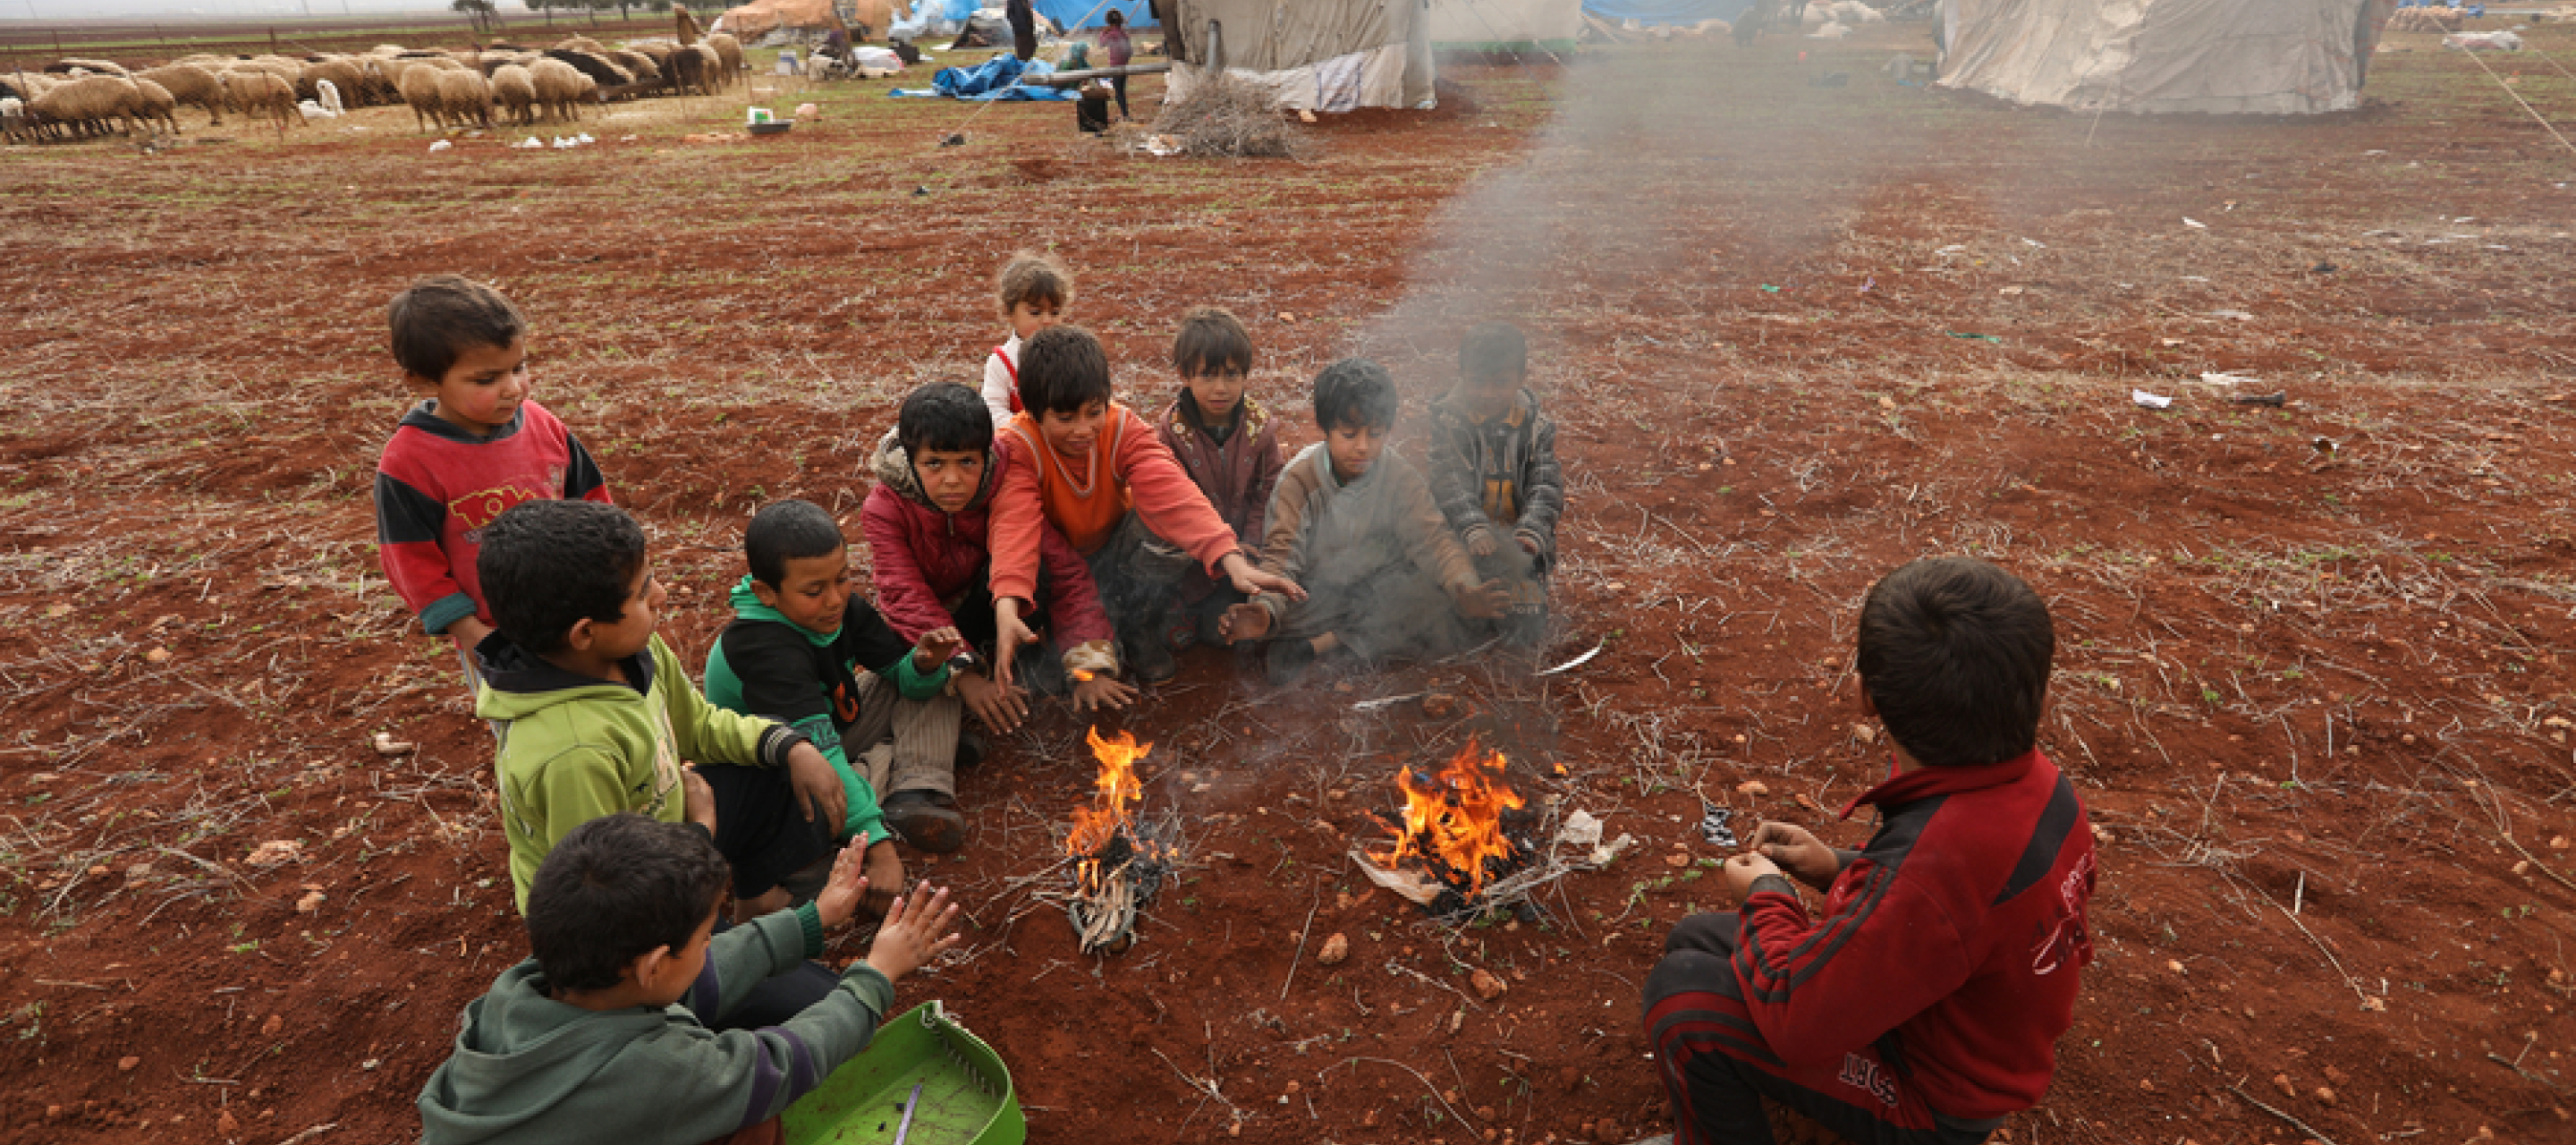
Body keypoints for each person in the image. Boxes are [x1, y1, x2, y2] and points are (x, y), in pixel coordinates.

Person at [1641, 557, 2097, 1145]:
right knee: (1699, 939)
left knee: (1684, 1001)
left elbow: (1797, 1019)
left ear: (1865, 698)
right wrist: (1835, 866)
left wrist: (1768, 891)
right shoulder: (2044, 789)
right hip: (1959, 1022)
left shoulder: (1933, 868)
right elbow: (1958, 907)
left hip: (1935, 1103)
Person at [417, 812, 963, 1145]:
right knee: (754, 1123)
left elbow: (699, 981)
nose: (712, 944)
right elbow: (778, 1066)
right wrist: (875, 974)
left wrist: (811, 919)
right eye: (706, 936)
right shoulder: (654, 1072)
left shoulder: (526, 990)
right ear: (653, 965)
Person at [471, 499, 869, 924]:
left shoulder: (632, 651)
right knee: (795, 988)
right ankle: (730, 940)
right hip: (625, 921)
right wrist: (699, 833)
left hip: (661, 835)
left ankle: (757, 899)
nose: (661, 595)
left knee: (777, 761)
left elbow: (699, 726)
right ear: (586, 632)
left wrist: (789, 745)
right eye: (643, 592)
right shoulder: (574, 753)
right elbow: (602, 897)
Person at [991, 326, 1305, 684]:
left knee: (1164, 526)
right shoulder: (1016, 446)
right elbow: (1013, 525)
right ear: (1032, 412)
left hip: (1114, 556)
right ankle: (1037, 634)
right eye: (1065, 419)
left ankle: (1137, 624)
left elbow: (1171, 490)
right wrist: (1007, 601)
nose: (1083, 429)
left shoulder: (1121, 426)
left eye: (1093, 411)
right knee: (1057, 677)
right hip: (1052, 567)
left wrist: (1229, 556)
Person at [373, 274, 612, 705]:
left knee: (613, 708)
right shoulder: (411, 460)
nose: (514, 388)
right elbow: (411, 560)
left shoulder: (544, 426)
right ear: (425, 383)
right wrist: (472, 633)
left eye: (518, 367)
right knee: (531, 733)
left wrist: (617, 575)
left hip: (582, 615)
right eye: (486, 380)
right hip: (498, 634)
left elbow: (593, 504)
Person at [702, 499, 968, 856]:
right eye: (814, 591)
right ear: (765, 593)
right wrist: (876, 844)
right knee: (815, 800)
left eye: (842, 578)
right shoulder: (762, 648)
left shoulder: (842, 608)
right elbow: (818, 753)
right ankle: (895, 767)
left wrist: (923, 664)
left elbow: (900, 678)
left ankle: (911, 793)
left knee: (943, 680)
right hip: (783, 765)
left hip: (830, 724)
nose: (835, 599)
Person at [1221, 359, 1506, 684]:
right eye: (1348, 434)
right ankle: (1335, 642)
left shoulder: (1400, 478)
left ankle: (1316, 647)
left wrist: (1465, 588)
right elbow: (1281, 559)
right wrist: (1266, 611)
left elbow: (1435, 541)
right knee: (1278, 616)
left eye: (1375, 434)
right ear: (1326, 429)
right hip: (1317, 594)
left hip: (1377, 589)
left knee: (1433, 598)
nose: (1362, 447)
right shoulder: (1299, 479)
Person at [865, 383, 1134, 720]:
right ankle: (971, 683)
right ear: (909, 457)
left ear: (986, 456)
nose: (952, 479)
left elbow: (1065, 570)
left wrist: (1089, 668)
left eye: (967, 462)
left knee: (1036, 568)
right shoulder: (885, 507)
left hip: (995, 607)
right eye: (934, 464)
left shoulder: (1004, 486)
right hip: (932, 625)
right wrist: (965, 675)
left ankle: (1017, 664)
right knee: (907, 658)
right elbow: (904, 595)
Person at [1152, 306, 1283, 650]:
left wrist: (1250, 547)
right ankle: (1179, 605)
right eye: (1207, 376)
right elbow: (1170, 502)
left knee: (1227, 636)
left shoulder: (1261, 429)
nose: (1220, 388)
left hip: (1246, 553)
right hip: (1189, 560)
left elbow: (1269, 492)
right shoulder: (1171, 432)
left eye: (1231, 375)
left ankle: (1222, 609)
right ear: (1184, 374)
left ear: (1246, 375)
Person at [1427, 320, 1563, 648]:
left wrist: (1531, 533)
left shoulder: (1536, 427)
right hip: (1463, 539)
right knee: (1459, 622)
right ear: (1461, 376)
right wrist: (1473, 527)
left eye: (1501, 383)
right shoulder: (1448, 421)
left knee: (1526, 627)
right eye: (1477, 382)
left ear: (1521, 379)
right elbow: (1447, 482)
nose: (1488, 394)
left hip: (1517, 543)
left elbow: (1545, 487)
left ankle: (1521, 585)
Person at [978, 251, 1072, 429]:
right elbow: (993, 410)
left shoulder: (1073, 353)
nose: (1047, 321)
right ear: (1009, 311)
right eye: (1035, 313)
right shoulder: (1003, 361)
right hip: (1021, 446)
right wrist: (1026, 431)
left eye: (1055, 313)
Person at [1098, 7, 1133, 120]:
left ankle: (1125, 115)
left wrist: (1103, 32)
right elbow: (1129, 51)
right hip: (1124, 64)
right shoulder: (1123, 33)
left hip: (1116, 65)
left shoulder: (1111, 34)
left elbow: (1101, 44)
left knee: (1119, 91)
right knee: (1120, 89)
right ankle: (1124, 114)